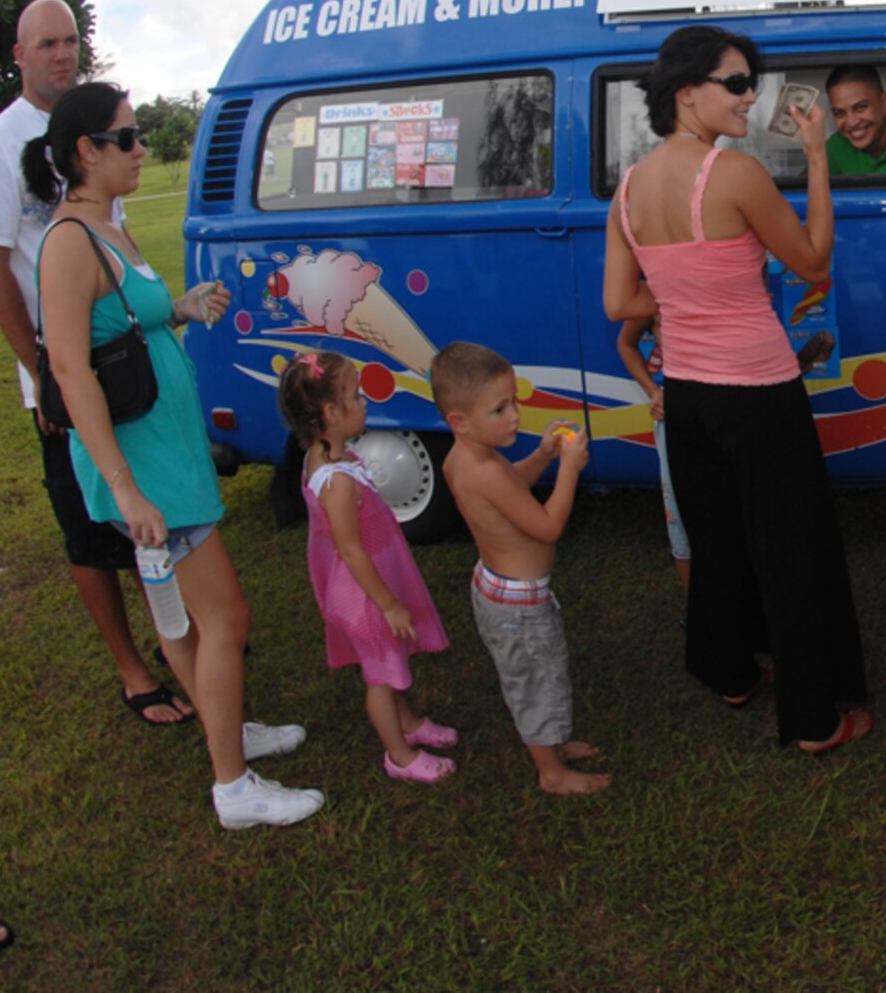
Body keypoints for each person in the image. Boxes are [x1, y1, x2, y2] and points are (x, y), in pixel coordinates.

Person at [27, 83, 323, 829]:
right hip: (147, 470)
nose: (142, 148)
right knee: (227, 617)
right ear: (85, 151)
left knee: (185, 618)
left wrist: (184, 307)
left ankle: (229, 728)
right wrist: (126, 491)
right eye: (126, 138)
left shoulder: (107, 226)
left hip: (166, 456)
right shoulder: (69, 242)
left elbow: (125, 319)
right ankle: (234, 786)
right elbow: (68, 368)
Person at [603, 26, 871, 754]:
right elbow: (813, 258)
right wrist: (817, 155)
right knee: (791, 548)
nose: (750, 95)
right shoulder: (735, 172)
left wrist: (678, 297)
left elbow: (618, 303)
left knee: (717, 544)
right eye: (735, 82)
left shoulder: (627, 188)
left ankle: (732, 671)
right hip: (757, 390)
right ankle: (815, 718)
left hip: (686, 394)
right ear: (684, 92)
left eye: (751, 81)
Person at [0, 0, 192, 728]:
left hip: (124, 359)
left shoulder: (99, 132)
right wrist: (38, 365)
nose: (62, 54)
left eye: (71, 41)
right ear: (20, 57)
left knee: (150, 505)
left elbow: (119, 239)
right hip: (63, 371)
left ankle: (185, 642)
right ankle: (133, 669)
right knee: (89, 525)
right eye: (46, 44)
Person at [433, 340, 605, 796]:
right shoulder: (484, 469)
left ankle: (553, 743)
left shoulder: (467, 458)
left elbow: (513, 483)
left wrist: (545, 455)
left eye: (515, 402)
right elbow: (547, 527)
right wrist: (569, 469)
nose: (514, 416)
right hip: (518, 606)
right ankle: (552, 772)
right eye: (499, 409)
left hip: (498, 589)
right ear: (459, 421)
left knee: (542, 674)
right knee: (535, 680)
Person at [278, 350, 455, 784]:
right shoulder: (336, 481)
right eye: (357, 398)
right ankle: (399, 755)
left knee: (390, 663)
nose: (365, 404)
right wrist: (389, 604)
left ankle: (409, 722)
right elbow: (351, 550)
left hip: (370, 580)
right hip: (364, 593)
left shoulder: (330, 456)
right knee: (381, 674)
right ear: (331, 412)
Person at [615, 314, 691, 594]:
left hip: (727, 415)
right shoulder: (652, 293)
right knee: (682, 519)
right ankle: (696, 615)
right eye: (659, 324)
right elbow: (625, 342)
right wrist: (654, 391)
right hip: (678, 423)